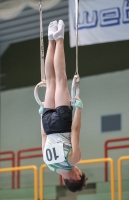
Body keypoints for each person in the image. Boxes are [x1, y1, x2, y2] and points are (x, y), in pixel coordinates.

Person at [40, 20, 88, 192]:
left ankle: (59, 37)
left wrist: (79, 109)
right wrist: (41, 114)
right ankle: (51, 38)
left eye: (80, 172)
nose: (78, 169)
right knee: (51, 82)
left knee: (60, 79)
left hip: (62, 123)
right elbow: (44, 136)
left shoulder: (73, 160)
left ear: (76, 176)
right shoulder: (49, 164)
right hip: (47, 122)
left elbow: (75, 131)